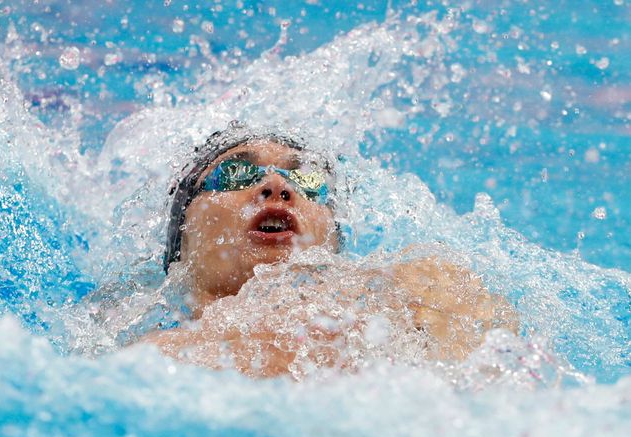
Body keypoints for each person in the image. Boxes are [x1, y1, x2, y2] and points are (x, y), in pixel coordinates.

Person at [142, 122, 518, 378]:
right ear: (182, 239)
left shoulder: (411, 294)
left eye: (308, 179)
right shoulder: (151, 357)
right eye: (236, 173)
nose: (276, 186)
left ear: (334, 241)